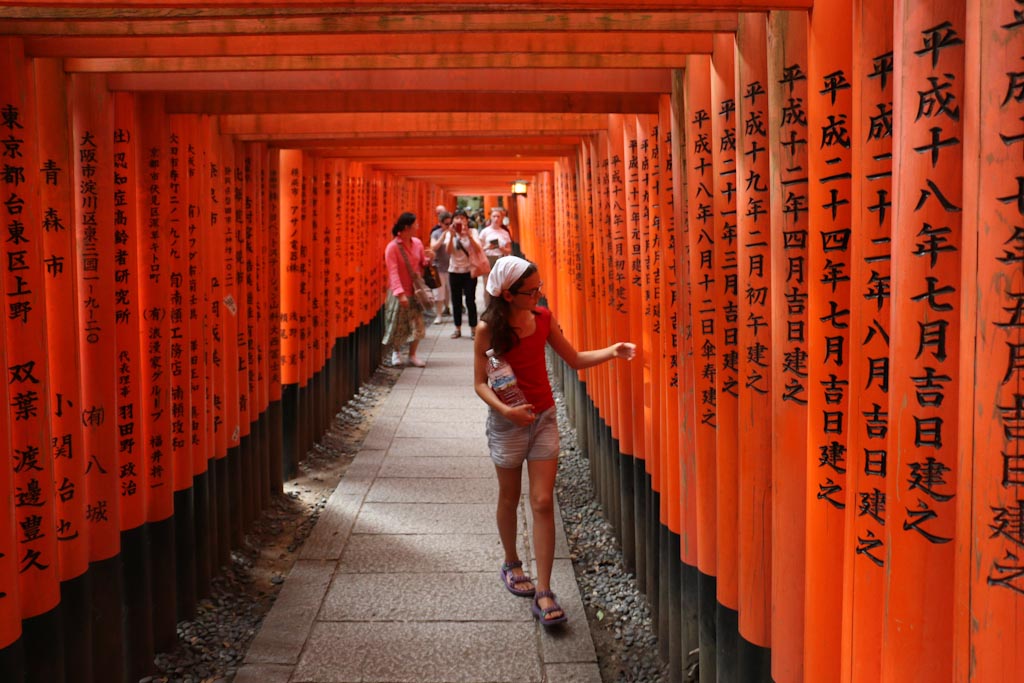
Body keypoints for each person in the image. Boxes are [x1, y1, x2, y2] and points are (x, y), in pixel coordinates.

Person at [474, 256, 635, 627]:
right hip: (507, 423)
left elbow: (574, 359)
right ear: (509, 294)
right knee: (509, 496)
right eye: (532, 291)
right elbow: (480, 382)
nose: (538, 295)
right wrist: (506, 410)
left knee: (543, 501)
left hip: (543, 418)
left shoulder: (543, 319)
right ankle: (512, 563)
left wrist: (612, 351)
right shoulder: (488, 330)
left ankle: (544, 589)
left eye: (539, 288)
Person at [382, 211, 434, 367]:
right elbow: (393, 272)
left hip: (416, 291)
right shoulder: (392, 247)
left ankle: (412, 354)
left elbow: (421, 263)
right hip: (400, 292)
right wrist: (400, 293)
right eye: (415, 224)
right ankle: (396, 352)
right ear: (406, 227)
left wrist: (429, 259)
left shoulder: (417, 243)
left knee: (418, 324)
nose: (417, 227)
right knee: (398, 324)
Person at [441, 208, 481, 340]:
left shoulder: (473, 232)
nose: (459, 220)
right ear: (453, 221)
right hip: (454, 271)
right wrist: (452, 235)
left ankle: (473, 329)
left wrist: (468, 235)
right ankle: (457, 328)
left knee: (470, 300)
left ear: (466, 220)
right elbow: (448, 251)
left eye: (462, 218)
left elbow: (478, 249)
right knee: (456, 301)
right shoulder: (449, 233)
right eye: (456, 218)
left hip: (470, 271)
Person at [478, 207, 513, 304]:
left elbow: (509, 250)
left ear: (502, 218)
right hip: (488, 258)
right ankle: (488, 307)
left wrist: (502, 249)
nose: (496, 219)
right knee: (487, 286)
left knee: (500, 286)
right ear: (490, 218)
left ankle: (499, 308)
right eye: (494, 216)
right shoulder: (485, 232)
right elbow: (479, 249)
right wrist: (488, 247)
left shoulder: (505, 233)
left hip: (500, 258)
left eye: (498, 216)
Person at [429, 210, 453, 323]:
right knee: (438, 292)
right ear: (441, 223)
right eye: (446, 224)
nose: (449, 226)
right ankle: (438, 315)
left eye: (450, 223)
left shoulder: (454, 233)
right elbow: (433, 247)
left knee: (449, 290)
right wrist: (443, 237)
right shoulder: (436, 233)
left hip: (452, 266)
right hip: (438, 266)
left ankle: (446, 308)